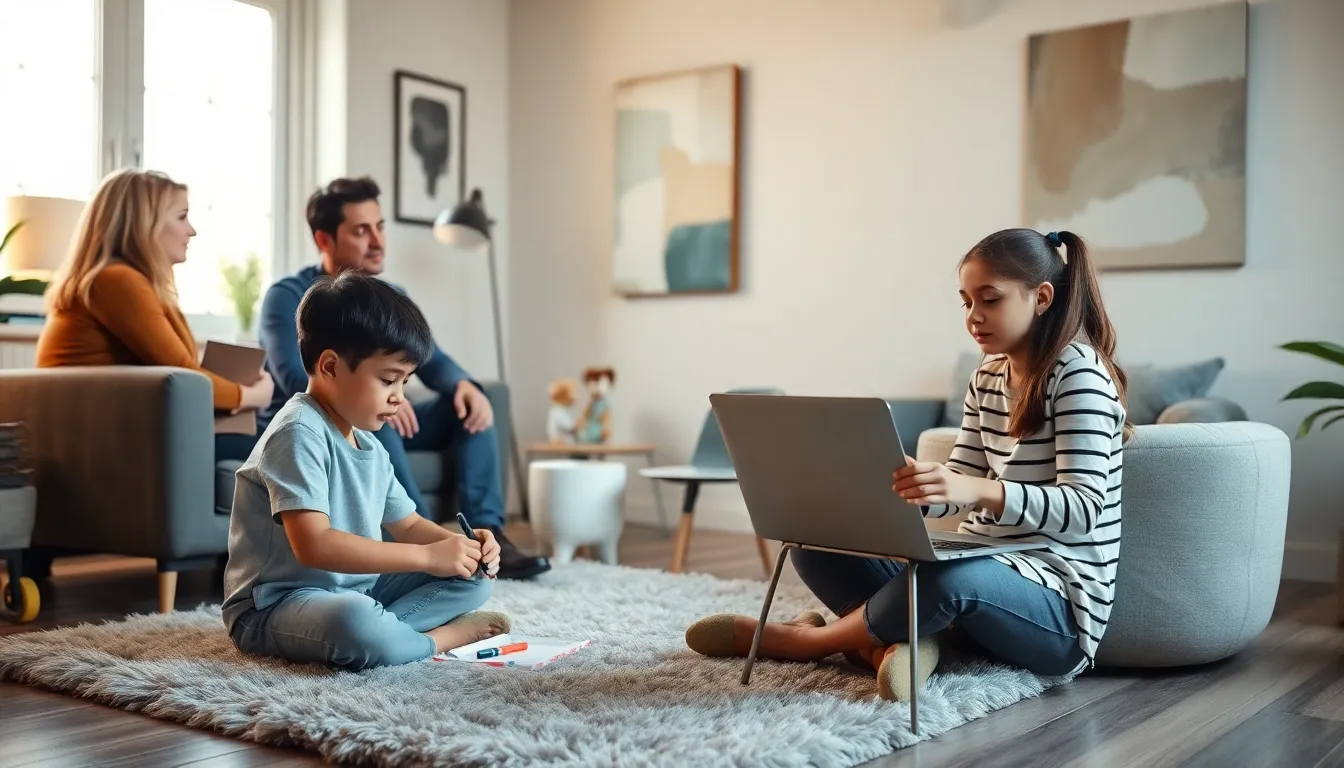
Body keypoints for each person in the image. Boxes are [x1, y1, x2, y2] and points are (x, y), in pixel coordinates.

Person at [683, 228, 1129, 702]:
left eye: (990, 300)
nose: (974, 317)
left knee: (944, 580)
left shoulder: (1079, 373)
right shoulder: (988, 374)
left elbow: (1084, 508)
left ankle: (808, 640)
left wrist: (973, 490)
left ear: (1041, 298)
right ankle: (900, 643)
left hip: (1057, 611)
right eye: (966, 302)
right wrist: (896, 490)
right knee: (815, 543)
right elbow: (954, 485)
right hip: (976, 568)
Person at [257, 176, 550, 580]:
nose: (377, 241)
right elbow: (294, 374)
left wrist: (464, 385)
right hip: (330, 417)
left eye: (380, 227)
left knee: (470, 405)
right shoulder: (289, 296)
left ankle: (484, 535)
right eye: (362, 230)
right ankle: (426, 554)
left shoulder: (388, 294)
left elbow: (431, 358)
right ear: (324, 240)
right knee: (379, 421)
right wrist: (376, 395)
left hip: (371, 409)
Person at [222, 270, 510, 671]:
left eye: (405, 382)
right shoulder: (298, 432)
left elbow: (407, 525)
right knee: (353, 621)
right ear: (330, 367)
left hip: (357, 590)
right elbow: (314, 546)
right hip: (274, 605)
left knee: (474, 577)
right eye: (389, 380)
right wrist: (427, 558)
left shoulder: (370, 445)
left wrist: (461, 545)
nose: (399, 398)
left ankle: (390, 636)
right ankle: (436, 639)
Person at [35, 168, 275, 464]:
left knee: (289, 440)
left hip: (123, 426)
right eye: (181, 216)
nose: (192, 230)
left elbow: (178, 372)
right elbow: (183, 373)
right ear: (144, 224)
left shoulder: (136, 284)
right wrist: (251, 396)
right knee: (292, 447)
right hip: (106, 436)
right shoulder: (117, 281)